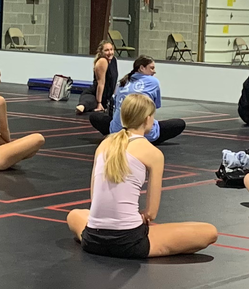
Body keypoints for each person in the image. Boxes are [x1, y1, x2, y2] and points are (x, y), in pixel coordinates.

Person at [67, 94, 218, 259]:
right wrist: (141, 217)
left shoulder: (104, 145)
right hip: (130, 242)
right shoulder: (153, 153)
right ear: (147, 119)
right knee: (209, 232)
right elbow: (151, 213)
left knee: (75, 214)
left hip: (92, 240)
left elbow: (94, 196)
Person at [90, 57, 186, 143]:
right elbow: (155, 106)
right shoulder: (153, 82)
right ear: (141, 68)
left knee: (95, 116)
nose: (154, 71)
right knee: (179, 124)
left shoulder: (122, 82)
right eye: (151, 68)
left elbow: (115, 105)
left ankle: (118, 133)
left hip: (117, 132)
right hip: (144, 134)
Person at [76, 38, 119, 117]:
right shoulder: (102, 61)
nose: (110, 52)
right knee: (86, 105)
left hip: (105, 97)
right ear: (101, 52)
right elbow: (101, 83)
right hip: (94, 94)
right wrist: (99, 103)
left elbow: (114, 81)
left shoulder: (114, 60)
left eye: (111, 49)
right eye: (106, 50)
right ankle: (82, 106)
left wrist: (113, 97)